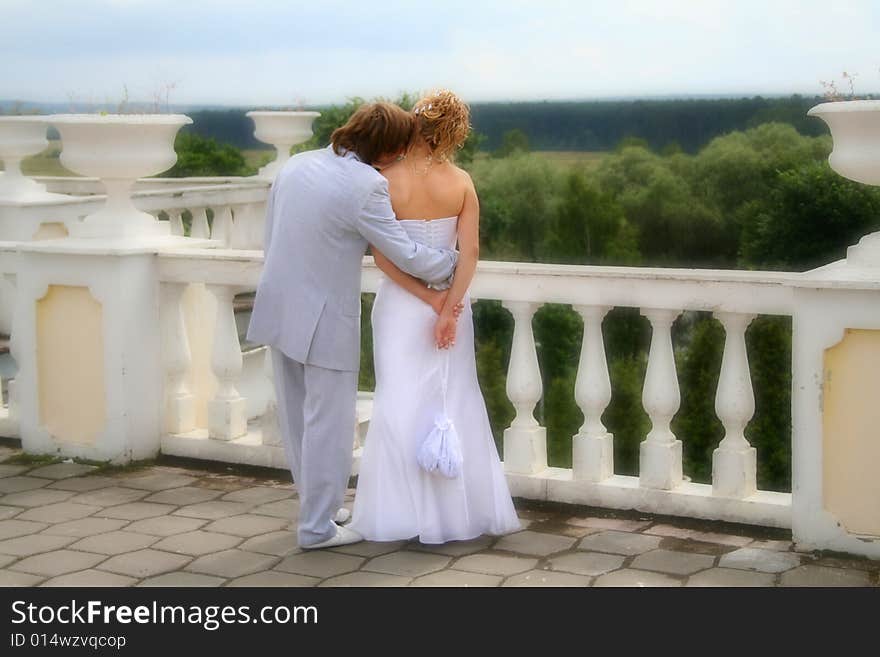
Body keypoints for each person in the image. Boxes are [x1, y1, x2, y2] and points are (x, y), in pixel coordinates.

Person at [247, 102, 461, 549]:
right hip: (323, 318)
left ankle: (318, 509)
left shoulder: (297, 164)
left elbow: (271, 233)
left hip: (277, 304)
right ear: (389, 148)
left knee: (297, 421)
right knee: (330, 425)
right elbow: (403, 252)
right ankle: (317, 529)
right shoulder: (366, 184)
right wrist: (452, 262)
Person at [349, 90, 522, 544]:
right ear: (454, 134)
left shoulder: (384, 178)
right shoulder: (461, 181)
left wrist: (427, 301)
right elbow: (471, 252)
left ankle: (399, 514)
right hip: (454, 307)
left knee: (399, 401)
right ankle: (457, 516)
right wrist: (447, 308)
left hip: (402, 308)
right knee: (453, 400)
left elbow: (382, 259)